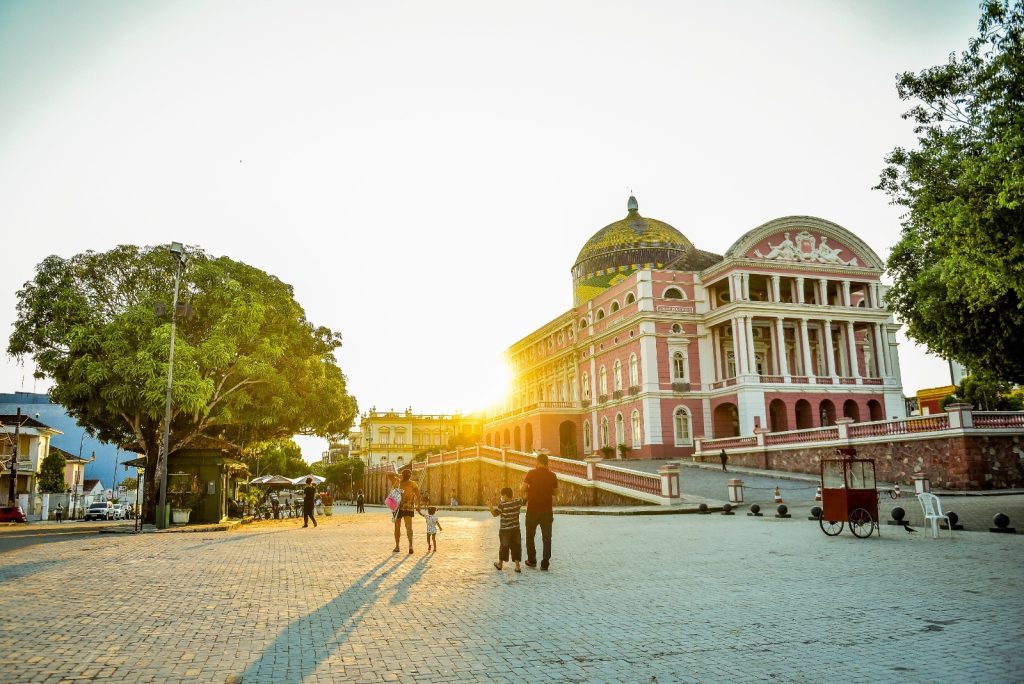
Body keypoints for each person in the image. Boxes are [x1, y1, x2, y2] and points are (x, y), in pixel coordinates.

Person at [522, 453, 558, 571]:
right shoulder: (552, 475)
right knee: (547, 538)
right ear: (547, 463)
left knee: (530, 536)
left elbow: (522, 489)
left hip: (532, 510)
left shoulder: (531, 473)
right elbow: (556, 493)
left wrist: (530, 490)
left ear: (537, 462)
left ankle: (532, 560)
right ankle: (545, 563)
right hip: (547, 511)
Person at [491, 486, 525, 573]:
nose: (501, 497)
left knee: (503, 546)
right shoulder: (517, 502)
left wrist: (489, 506)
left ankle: (500, 564)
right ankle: (517, 567)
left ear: (505, 495)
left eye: (502, 495)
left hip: (505, 530)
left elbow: (494, 514)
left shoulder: (502, 505)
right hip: (516, 529)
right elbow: (524, 499)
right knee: (516, 547)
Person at [387, 468, 421, 553]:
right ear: (410, 476)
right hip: (408, 507)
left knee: (397, 527)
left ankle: (397, 547)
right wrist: (418, 506)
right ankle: (410, 546)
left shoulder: (397, 481)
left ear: (402, 475)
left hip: (397, 507)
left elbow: (388, 474)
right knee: (409, 527)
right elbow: (418, 495)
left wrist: (398, 475)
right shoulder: (413, 484)